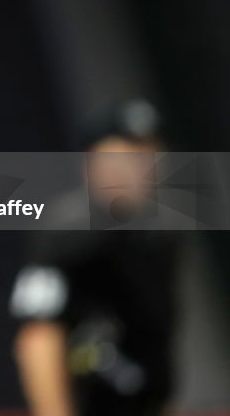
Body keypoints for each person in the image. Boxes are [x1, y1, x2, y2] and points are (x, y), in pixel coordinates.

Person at [10, 100, 180, 416]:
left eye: (149, 156)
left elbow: (157, 342)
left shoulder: (159, 236)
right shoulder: (69, 231)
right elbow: (38, 334)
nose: (140, 168)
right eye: (126, 157)